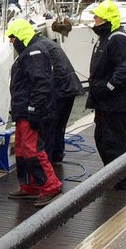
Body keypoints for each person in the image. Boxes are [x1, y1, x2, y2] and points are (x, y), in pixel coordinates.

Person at [5, 18, 62, 206]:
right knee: (21, 150)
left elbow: (42, 84)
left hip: (30, 111)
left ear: (20, 36)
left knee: (33, 150)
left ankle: (50, 186)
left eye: (13, 38)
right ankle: (29, 185)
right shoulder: (29, 53)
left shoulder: (34, 53)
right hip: (22, 111)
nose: (12, 42)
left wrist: (34, 110)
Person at [85, 0, 126, 189]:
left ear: (106, 19)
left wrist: (108, 88)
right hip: (103, 101)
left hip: (115, 102)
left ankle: (120, 179)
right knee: (101, 138)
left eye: (97, 17)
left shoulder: (118, 38)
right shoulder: (106, 37)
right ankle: (111, 173)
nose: (94, 20)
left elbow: (125, 69)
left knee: (115, 140)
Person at [43, 33, 84, 167]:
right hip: (71, 86)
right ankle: (57, 155)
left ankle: (48, 161)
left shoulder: (37, 48)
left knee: (50, 124)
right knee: (60, 125)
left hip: (61, 88)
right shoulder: (47, 44)